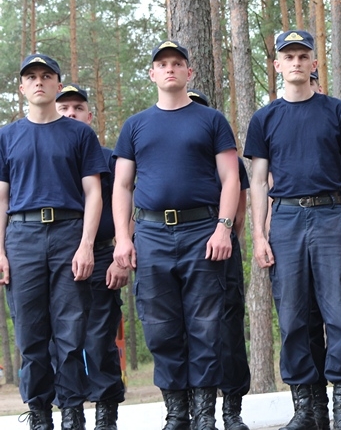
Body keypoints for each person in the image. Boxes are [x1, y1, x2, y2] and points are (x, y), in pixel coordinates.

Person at [113, 40, 240, 430]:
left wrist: (223, 228)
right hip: (151, 234)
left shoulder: (211, 120)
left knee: (206, 326)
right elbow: (122, 186)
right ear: (152, 73)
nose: (170, 68)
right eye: (162, 64)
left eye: (177, 63)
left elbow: (231, 178)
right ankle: (177, 413)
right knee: (160, 327)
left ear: (189, 72)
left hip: (202, 232)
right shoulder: (135, 126)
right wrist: (123, 238)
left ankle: (204, 415)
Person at [245, 29, 341, 430]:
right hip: (286, 221)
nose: (296, 62)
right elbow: (258, 181)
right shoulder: (264, 119)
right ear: (277, 65)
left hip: (332, 216)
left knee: (339, 313)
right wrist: (259, 236)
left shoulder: (336, 111)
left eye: (303, 56)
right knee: (294, 317)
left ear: (314, 63)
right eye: (288, 56)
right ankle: (307, 408)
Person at [0, 55, 108, 429]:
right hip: (22, 237)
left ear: (57, 85)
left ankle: (73, 412)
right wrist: (0, 251)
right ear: (22, 87)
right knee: (30, 333)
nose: (39, 82)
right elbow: (1, 197)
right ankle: (40, 414)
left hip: (68, 234)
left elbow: (94, 193)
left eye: (46, 76)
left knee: (71, 331)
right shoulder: (6, 136)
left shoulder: (79, 134)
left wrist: (86, 244)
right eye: (31, 77)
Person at [55, 84, 130, 430]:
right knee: (62, 341)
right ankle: (70, 414)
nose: (71, 114)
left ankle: (105, 415)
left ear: (89, 115)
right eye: (64, 108)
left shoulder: (110, 159)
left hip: (102, 257)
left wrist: (120, 258)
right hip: (56, 261)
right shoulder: (50, 158)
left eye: (78, 108)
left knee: (99, 341)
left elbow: (129, 207)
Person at [187, 89, 252, 429]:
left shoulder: (228, 158)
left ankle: (232, 410)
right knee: (189, 332)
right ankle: (196, 410)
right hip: (181, 246)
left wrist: (226, 238)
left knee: (227, 330)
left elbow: (239, 209)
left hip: (222, 246)